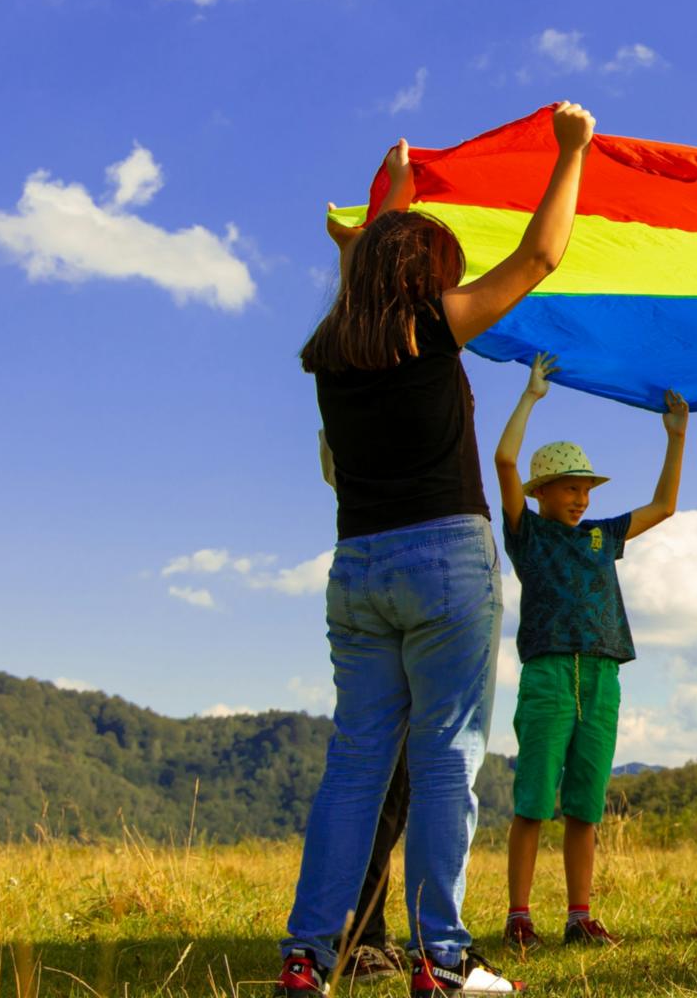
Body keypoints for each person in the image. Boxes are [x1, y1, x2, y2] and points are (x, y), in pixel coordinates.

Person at [280, 100, 598, 996]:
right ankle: (444, 959)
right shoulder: (431, 330)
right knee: (446, 759)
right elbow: (541, 255)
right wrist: (570, 152)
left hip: (358, 570)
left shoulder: (332, 349)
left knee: (355, 764)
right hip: (444, 565)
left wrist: (396, 190)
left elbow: (363, 271)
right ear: (424, 278)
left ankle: (309, 956)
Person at [495, 353, 688, 950]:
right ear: (543, 493)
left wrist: (675, 437)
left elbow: (664, 507)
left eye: (585, 489)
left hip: (604, 674)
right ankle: (519, 915)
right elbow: (504, 460)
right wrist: (530, 397)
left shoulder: (603, 535)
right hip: (549, 674)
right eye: (569, 489)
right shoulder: (527, 534)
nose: (580, 498)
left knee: (585, 805)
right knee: (533, 801)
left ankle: (579, 914)